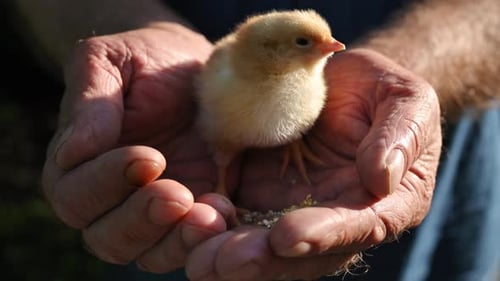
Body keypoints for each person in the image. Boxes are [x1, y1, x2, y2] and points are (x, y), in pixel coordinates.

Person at [10, 0, 500, 280]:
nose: (332, 49)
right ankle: (224, 183)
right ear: (272, 51)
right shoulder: (237, 77)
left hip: (441, 201)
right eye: (310, 44)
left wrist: (404, 75)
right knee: (181, 229)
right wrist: (128, 26)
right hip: (164, 208)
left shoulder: (303, 76)